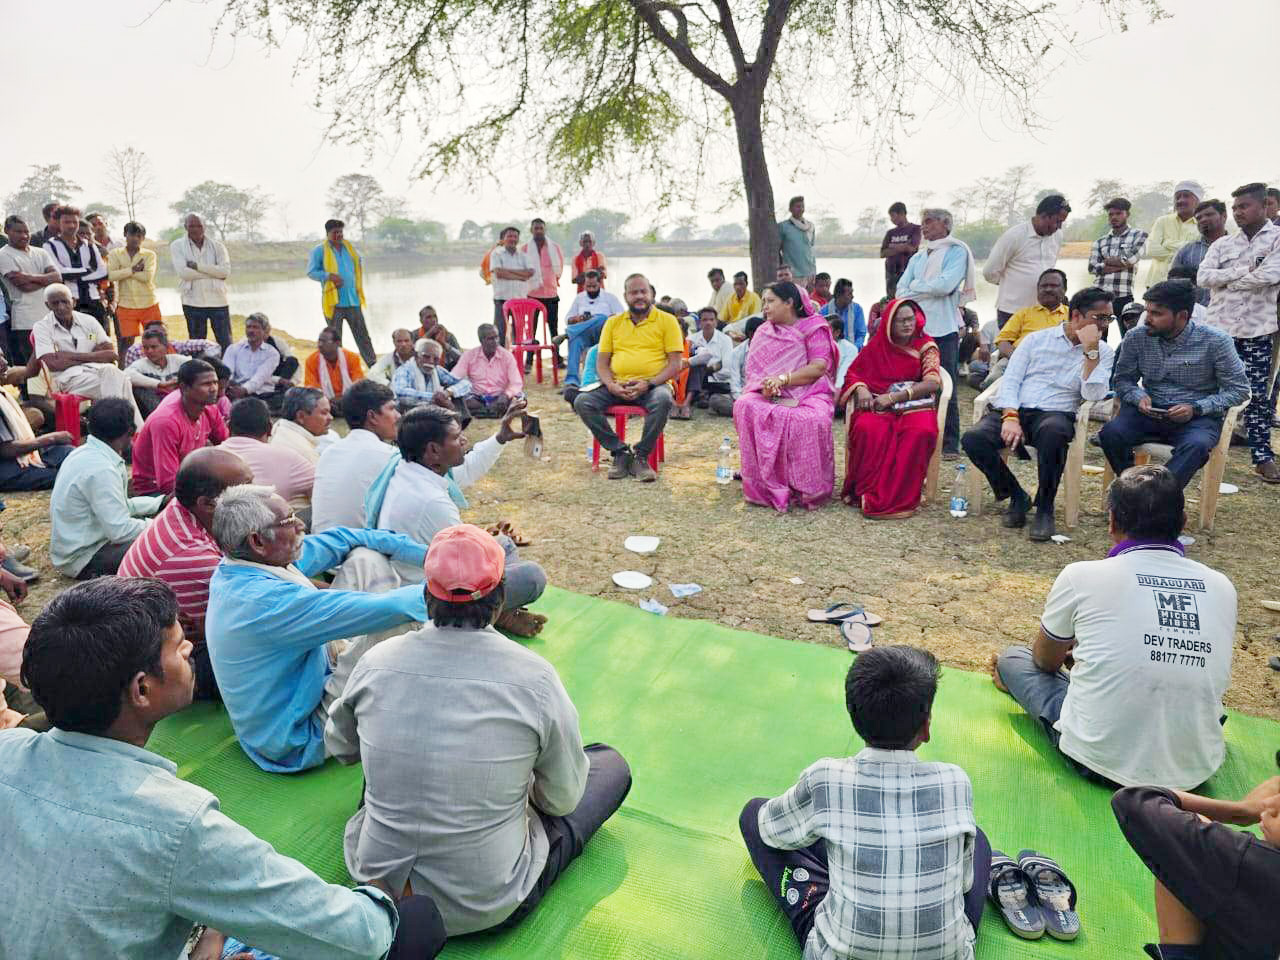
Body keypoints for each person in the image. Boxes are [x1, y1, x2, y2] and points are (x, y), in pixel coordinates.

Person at [6, 576, 448, 960]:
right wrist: (381, 896)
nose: (192, 652)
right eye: (180, 650)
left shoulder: (8, 751)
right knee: (416, 923)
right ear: (142, 690)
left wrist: (211, 928)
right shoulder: (176, 826)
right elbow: (360, 937)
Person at [325, 523, 628, 937]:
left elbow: (341, 747)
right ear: (501, 597)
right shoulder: (534, 678)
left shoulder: (378, 660)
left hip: (378, 879)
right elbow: (560, 800)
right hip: (484, 900)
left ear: (427, 595)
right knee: (609, 766)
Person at [993, 464, 1235, 789]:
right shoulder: (1221, 585)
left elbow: (1045, 661)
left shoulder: (1081, 575)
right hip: (1194, 767)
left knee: (1014, 661)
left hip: (1099, 761)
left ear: (1112, 522)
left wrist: (1079, 657)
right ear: (1182, 523)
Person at [741, 645, 989, 960]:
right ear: (925, 727)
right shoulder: (955, 782)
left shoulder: (826, 779)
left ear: (853, 714)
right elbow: (965, 883)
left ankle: (832, 879)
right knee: (977, 839)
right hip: (944, 954)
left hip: (842, 953)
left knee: (753, 814)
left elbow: (770, 831)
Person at [206, 484, 430, 773]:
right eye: (289, 520)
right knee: (402, 619)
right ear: (258, 541)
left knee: (366, 557)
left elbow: (345, 538)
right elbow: (394, 608)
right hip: (299, 739)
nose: (300, 524)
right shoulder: (263, 603)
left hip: (314, 676)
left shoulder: (248, 562)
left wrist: (430, 554)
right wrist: (458, 581)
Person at [367, 403, 549, 632]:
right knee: (532, 577)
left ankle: (502, 612)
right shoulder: (432, 501)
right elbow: (466, 567)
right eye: (456, 437)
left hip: (416, 574)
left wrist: (500, 438)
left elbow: (467, 469)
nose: (464, 440)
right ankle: (488, 617)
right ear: (433, 450)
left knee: (505, 545)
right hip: (432, 598)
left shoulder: (408, 468)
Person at [962, 286, 1114, 541]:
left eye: (1109, 318)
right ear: (1076, 315)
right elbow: (1011, 380)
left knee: (1054, 433)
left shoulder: (1104, 352)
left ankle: (1045, 507)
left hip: (1056, 413)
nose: (1105, 324)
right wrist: (1010, 416)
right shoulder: (1036, 340)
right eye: (1100, 318)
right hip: (1017, 409)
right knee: (973, 438)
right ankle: (1017, 496)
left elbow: (1093, 394)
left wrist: (1090, 353)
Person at [119, 447, 254, 701]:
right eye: (245, 491)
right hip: (156, 667)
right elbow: (230, 633)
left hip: (159, 641)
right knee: (267, 652)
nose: (258, 496)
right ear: (207, 504)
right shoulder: (191, 556)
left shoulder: (184, 512)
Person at [1100, 280, 1250, 489]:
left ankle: (1153, 496)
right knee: (1110, 433)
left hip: (1197, 418)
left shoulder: (1216, 342)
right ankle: (1133, 490)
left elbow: (1239, 390)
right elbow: (1122, 380)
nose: (1147, 319)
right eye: (1147, 311)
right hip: (1148, 413)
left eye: (1157, 314)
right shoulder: (1136, 337)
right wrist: (1138, 396)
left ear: (1182, 316)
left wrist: (1196, 408)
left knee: (1196, 446)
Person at [1112, 778, 1280, 960]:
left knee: (1183, 846)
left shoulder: (1245, 861)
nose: (1269, 805)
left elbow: (1133, 800)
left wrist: (1241, 811)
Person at [1196, 182, 1280, 483]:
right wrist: (1242, 273)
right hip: (1219, 330)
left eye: (1243, 206)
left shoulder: (1277, 239)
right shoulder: (1222, 245)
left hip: (1258, 331)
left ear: (1265, 205)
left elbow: (1272, 274)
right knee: (1210, 389)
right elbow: (1203, 277)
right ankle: (1199, 448)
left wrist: (1229, 281)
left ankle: (1262, 457)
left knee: (1258, 396)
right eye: (1235, 208)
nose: (1238, 212)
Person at [734, 281, 837, 511]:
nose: (765, 308)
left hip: (810, 392)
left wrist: (783, 379)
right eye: (763, 303)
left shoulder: (813, 327)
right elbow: (755, 373)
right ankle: (761, 486)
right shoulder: (763, 331)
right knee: (744, 405)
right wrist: (765, 387)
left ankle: (804, 489)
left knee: (806, 419)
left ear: (789, 302)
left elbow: (819, 367)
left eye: (770, 301)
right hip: (772, 393)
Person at [837, 298, 942, 517]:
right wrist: (861, 389)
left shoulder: (926, 345)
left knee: (921, 432)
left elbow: (932, 382)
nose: (907, 325)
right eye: (901, 321)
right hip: (878, 402)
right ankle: (868, 492)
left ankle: (901, 499)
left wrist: (894, 398)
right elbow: (854, 373)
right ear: (888, 324)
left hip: (914, 404)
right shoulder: (878, 345)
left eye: (911, 319)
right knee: (868, 429)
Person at [573, 274, 681, 482]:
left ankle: (641, 456)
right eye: (634, 292)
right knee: (582, 401)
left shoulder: (668, 321)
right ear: (625, 296)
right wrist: (612, 385)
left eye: (643, 291)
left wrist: (647, 384)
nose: (639, 296)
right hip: (618, 385)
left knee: (663, 400)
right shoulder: (613, 323)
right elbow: (601, 363)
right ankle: (620, 453)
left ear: (651, 294)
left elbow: (675, 365)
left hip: (653, 385)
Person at [895, 208, 977, 457]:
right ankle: (918, 437)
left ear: (946, 225)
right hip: (915, 328)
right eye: (923, 222)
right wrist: (924, 289)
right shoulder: (919, 257)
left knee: (946, 383)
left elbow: (945, 285)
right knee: (914, 382)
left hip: (943, 329)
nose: (924, 227)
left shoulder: (957, 251)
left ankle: (950, 444)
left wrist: (916, 287)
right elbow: (900, 291)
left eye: (929, 222)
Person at [50, 398, 163, 579]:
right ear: (130, 431)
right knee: (162, 545)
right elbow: (120, 530)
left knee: (157, 537)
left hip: (87, 547)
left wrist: (159, 502)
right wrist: (161, 526)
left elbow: (121, 506)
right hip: (84, 559)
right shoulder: (101, 469)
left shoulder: (87, 453)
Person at [32, 283, 141, 426]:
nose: (60, 307)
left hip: (96, 373)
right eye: (55, 303)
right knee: (121, 380)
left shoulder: (88, 321)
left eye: (64, 301)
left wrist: (69, 356)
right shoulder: (42, 327)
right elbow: (51, 363)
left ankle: (117, 428)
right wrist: (92, 355)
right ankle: (131, 430)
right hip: (65, 380)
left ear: (73, 301)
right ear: (48, 305)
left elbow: (111, 354)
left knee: (113, 374)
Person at [312, 379, 401, 531]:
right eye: (392, 409)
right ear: (372, 417)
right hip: (359, 548)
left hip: (321, 544)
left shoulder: (330, 452)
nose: (398, 416)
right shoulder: (391, 457)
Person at [131, 359, 228, 495]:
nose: (213, 389)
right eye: (206, 384)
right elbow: (167, 483)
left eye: (215, 382)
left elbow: (228, 447)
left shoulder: (210, 409)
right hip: (155, 492)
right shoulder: (166, 421)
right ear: (184, 388)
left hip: (189, 480)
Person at [983, 194, 1070, 326]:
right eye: (1058, 221)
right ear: (1044, 216)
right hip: (1012, 311)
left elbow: (1050, 268)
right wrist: (1010, 283)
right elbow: (989, 272)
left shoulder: (1057, 236)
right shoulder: (1014, 236)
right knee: (1012, 347)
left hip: (1044, 311)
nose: (1059, 227)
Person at [222, 397, 316, 514]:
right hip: (269, 528)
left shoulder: (208, 457)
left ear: (228, 425)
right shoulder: (287, 457)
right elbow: (323, 491)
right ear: (270, 428)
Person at [308, 218, 375, 365]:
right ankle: (338, 369)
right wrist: (329, 276)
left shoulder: (349, 249)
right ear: (328, 233)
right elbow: (311, 272)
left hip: (353, 300)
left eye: (341, 232)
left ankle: (374, 367)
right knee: (334, 340)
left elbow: (357, 265)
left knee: (363, 337)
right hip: (334, 302)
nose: (339, 235)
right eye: (335, 232)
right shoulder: (319, 251)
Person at [0, 215, 61, 367]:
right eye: (18, 232)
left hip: (48, 316)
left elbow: (58, 277)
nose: (24, 236)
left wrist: (28, 277)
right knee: (29, 365)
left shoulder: (40, 252)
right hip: (24, 319)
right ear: (7, 231)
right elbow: (23, 287)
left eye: (26, 232)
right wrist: (46, 279)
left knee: (50, 361)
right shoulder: (3, 254)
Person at [170, 213, 232, 350]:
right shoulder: (177, 246)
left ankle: (228, 371)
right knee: (196, 344)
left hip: (218, 300)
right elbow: (184, 273)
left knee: (225, 341)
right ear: (185, 227)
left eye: (199, 225)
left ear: (205, 227)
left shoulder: (218, 246)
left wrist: (198, 267)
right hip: (192, 301)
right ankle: (198, 371)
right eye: (192, 225)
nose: (195, 229)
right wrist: (213, 273)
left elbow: (225, 272)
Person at [0, 379, 73, 492]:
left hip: (23, 456)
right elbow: (5, 449)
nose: (4, 362)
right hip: (7, 467)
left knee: (70, 453)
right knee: (62, 475)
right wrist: (49, 439)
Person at [556, 269, 623, 387]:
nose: (591, 289)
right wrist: (578, 319)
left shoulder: (609, 298)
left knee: (601, 318)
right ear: (584, 285)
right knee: (575, 340)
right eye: (588, 286)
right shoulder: (580, 298)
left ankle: (568, 334)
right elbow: (568, 319)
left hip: (604, 335)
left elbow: (622, 317)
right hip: (585, 334)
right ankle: (572, 382)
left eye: (594, 286)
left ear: (600, 284)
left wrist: (607, 318)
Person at [43, 205, 108, 324]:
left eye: (74, 222)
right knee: (72, 338)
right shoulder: (50, 245)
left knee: (93, 337)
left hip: (93, 301)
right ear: (58, 223)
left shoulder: (89, 245)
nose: (71, 225)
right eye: (67, 222)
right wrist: (88, 270)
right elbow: (59, 273)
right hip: (68, 303)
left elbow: (103, 272)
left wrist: (76, 277)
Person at [104, 220, 158, 358]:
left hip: (149, 303)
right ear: (125, 235)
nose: (135, 239)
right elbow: (111, 275)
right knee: (126, 343)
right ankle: (124, 372)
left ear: (143, 238)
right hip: (125, 304)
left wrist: (124, 272)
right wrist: (133, 269)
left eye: (139, 236)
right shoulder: (115, 254)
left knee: (156, 340)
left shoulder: (149, 255)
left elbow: (147, 277)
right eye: (131, 235)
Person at [1088, 198, 1148, 319]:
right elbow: (1092, 268)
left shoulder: (1140, 235)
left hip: (1123, 294)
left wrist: (1105, 262)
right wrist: (1122, 263)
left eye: (1118, 213)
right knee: (1097, 335)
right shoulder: (1100, 241)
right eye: (1111, 214)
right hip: (1099, 295)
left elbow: (1131, 259)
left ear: (1127, 214)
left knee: (1128, 334)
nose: (1114, 217)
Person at [992, 268, 1069, 360]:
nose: (1048, 289)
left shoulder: (1073, 315)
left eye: (1054, 286)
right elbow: (1002, 341)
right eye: (1043, 286)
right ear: (1038, 289)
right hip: (1019, 360)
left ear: (1064, 289)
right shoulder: (1024, 313)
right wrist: (1017, 359)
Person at [452, 323, 523, 419]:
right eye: (490, 339)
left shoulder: (507, 356)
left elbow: (516, 383)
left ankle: (484, 411)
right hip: (477, 398)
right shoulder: (469, 356)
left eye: (497, 337)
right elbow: (454, 377)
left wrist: (506, 395)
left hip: (500, 397)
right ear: (481, 341)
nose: (495, 342)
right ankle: (492, 411)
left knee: (521, 399)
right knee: (459, 399)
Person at [522, 218, 565, 366]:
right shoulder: (525, 249)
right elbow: (523, 270)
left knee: (554, 329)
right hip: (532, 295)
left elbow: (559, 269)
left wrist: (550, 280)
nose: (539, 231)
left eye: (541, 228)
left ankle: (557, 359)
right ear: (531, 230)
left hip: (551, 294)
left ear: (545, 230)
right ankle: (529, 361)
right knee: (531, 331)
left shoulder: (555, 247)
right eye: (536, 228)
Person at [1145, 180, 1205, 288]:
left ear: (1198, 201)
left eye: (1186, 196)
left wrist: (1167, 243)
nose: (1180, 200)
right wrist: (1182, 255)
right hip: (1156, 285)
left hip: (1187, 288)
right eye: (1177, 197)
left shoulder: (1202, 224)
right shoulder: (1162, 221)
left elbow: (1197, 257)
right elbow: (1151, 250)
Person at [1170, 199, 1228, 308]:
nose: (1203, 220)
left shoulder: (1240, 247)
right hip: (1196, 314)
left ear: (1224, 216)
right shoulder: (1186, 251)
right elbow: (1173, 287)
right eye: (1199, 218)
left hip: (1232, 314)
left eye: (1209, 215)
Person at [223, 312, 286, 406]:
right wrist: (230, 387)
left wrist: (244, 390)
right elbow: (227, 373)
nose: (251, 331)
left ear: (264, 331)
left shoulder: (272, 353)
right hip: (235, 390)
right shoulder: (233, 348)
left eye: (256, 327)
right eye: (249, 327)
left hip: (261, 393)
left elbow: (259, 378)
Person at [392, 338, 471, 412]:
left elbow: (466, 383)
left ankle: (457, 423)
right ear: (416, 356)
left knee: (457, 394)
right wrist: (434, 397)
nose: (431, 361)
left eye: (436, 359)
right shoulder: (405, 370)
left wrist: (448, 392)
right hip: (409, 415)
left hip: (431, 411)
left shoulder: (436, 369)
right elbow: (401, 393)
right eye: (426, 357)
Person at [710, 314, 766, 417]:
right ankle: (753, 412)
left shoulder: (769, 349)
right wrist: (742, 400)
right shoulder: (737, 353)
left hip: (764, 394)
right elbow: (735, 383)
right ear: (750, 334)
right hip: (744, 395)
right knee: (715, 400)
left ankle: (750, 412)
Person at [304, 325, 367, 416]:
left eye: (324, 341)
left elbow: (358, 384)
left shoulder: (352, 358)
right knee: (309, 400)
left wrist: (343, 398)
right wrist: (327, 401)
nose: (320, 345)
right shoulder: (311, 360)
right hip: (324, 402)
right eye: (319, 341)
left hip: (348, 399)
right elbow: (312, 388)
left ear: (337, 343)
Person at [126, 327, 186, 417]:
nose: (149, 351)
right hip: (154, 411)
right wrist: (160, 384)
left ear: (166, 347)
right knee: (139, 389)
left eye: (154, 347)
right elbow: (126, 375)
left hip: (182, 406)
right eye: (146, 348)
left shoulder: (179, 360)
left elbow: (199, 370)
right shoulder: (141, 364)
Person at [489, 226, 535, 343]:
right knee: (499, 332)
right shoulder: (496, 254)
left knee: (518, 333)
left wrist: (508, 271)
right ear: (503, 239)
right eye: (509, 236)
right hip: (501, 300)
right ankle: (499, 359)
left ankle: (517, 360)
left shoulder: (523, 255)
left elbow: (530, 273)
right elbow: (499, 273)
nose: (512, 239)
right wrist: (521, 276)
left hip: (519, 301)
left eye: (515, 236)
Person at [686, 307, 734, 407]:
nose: (708, 323)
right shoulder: (691, 339)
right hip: (696, 378)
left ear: (716, 322)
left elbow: (727, 369)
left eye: (711, 320)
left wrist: (709, 372)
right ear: (699, 323)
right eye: (704, 320)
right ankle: (703, 394)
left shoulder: (725, 340)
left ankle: (702, 394)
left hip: (717, 381)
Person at [123, 318, 221, 365]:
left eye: (163, 336)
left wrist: (199, 363)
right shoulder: (135, 351)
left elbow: (212, 346)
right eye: (154, 335)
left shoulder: (175, 346)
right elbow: (132, 376)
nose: (160, 338)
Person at [880, 202, 922, 298]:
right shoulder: (890, 233)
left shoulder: (915, 229)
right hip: (891, 274)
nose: (892, 219)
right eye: (890, 217)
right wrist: (903, 246)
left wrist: (892, 246)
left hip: (908, 272)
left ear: (902, 214)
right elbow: (882, 253)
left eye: (893, 216)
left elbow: (912, 248)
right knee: (892, 300)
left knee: (908, 300)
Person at [778, 196, 817, 288]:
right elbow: (777, 250)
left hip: (810, 274)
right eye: (798, 206)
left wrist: (814, 271)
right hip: (793, 274)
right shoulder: (783, 226)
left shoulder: (811, 226)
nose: (801, 209)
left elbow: (811, 249)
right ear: (790, 209)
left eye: (802, 206)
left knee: (808, 301)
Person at [821, 278, 866, 349]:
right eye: (849, 294)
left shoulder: (857, 309)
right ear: (839, 295)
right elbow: (821, 336)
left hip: (854, 351)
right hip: (830, 351)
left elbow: (861, 335)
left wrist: (853, 349)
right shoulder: (824, 311)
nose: (852, 296)